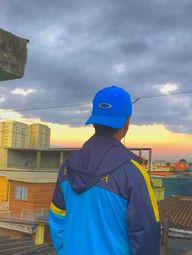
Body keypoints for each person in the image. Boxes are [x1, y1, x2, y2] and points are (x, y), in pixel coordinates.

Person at [48, 85, 161, 255]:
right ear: (127, 121)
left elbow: (57, 218)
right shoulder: (133, 173)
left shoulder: (67, 166)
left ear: (94, 120)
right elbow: (146, 234)